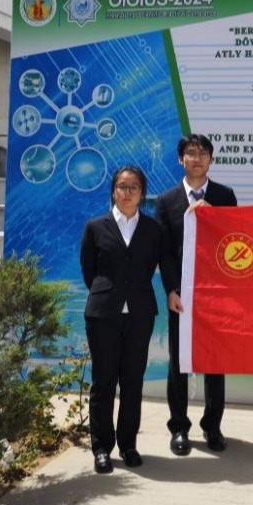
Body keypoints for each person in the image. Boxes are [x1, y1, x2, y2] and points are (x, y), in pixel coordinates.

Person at [80, 166, 167, 473]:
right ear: (113, 191)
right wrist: (109, 295)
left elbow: (155, 265)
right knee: (103, 382)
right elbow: (89, 271)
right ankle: (101, 448)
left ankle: (128, 445)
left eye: (134, 187)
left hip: (140, 315)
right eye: (122, 186)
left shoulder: (153, 229)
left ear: (142, 193)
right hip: (103, 315)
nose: (127, 192)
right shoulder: (95, 226)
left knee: (132, 381)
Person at [156, 134, 237, 455]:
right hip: (182, 298)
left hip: (216, 296)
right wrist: (172, 290)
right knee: (179, 363)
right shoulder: (167, 200)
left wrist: (214, 215)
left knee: (215, 363)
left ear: (211, 160)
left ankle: (212, 426)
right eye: (191, 153)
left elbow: (234, 242)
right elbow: (163, 251)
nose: (197, 158)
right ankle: (179, 428)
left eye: (203, 153)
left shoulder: (225, 196)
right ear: (181, 159)